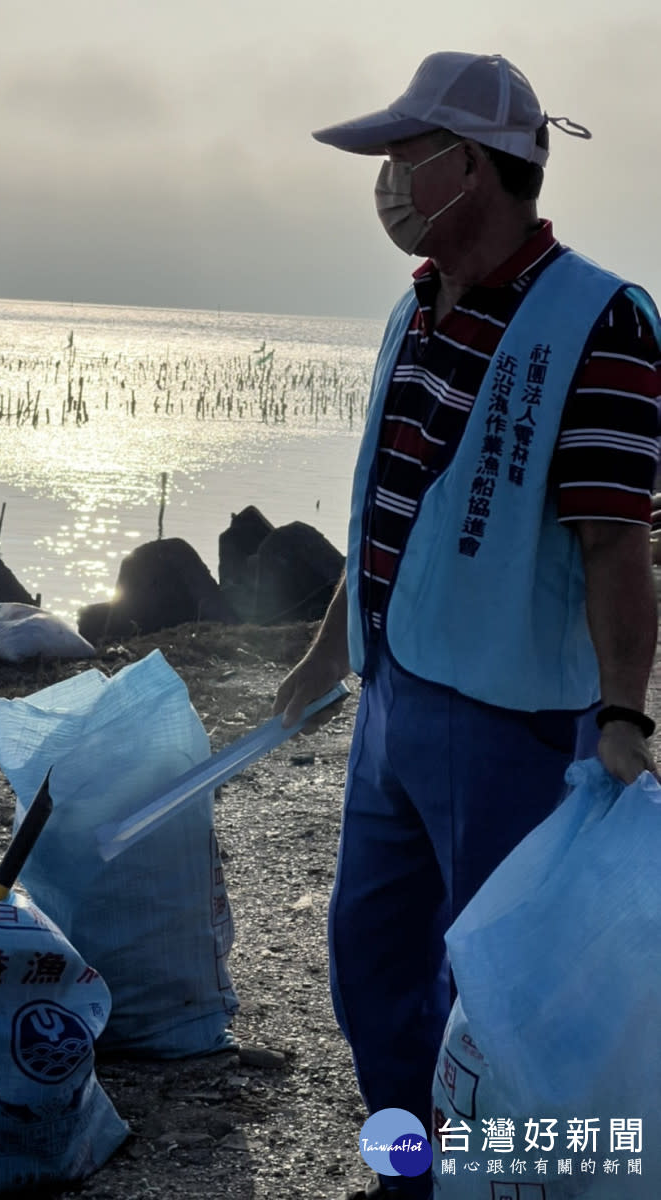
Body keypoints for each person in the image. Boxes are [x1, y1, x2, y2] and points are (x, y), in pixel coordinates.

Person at [274, 51, 661, 1200]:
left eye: (406, 157)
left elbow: (616, 543)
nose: (388, 182)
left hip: (512, 723)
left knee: (493, 991)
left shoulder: (600, 323)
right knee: (371, 958)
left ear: (476, 167)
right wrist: (325, 649)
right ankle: (413, 1174)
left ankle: (494, 1183)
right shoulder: (422, 303)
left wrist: (628, 714)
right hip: (395, 695)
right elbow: (392, 506)